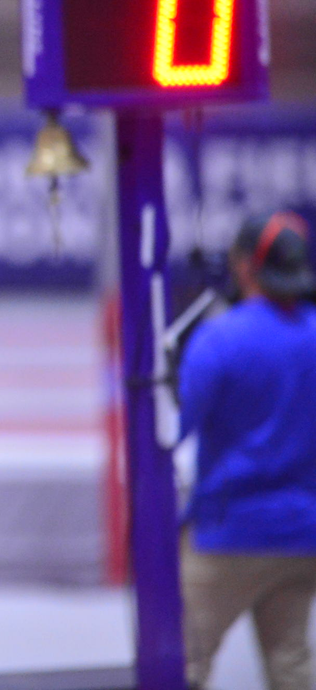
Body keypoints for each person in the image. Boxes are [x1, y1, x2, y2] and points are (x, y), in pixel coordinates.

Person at [178, 210, 316, 690]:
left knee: (184, 665)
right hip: (303, 533)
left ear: (243, 266)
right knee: (291, 663)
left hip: (228, 534)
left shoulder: (220, 338)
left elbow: (173, 426)